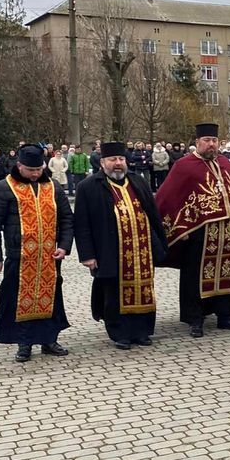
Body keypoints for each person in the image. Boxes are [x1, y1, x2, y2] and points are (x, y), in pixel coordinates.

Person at [155, 123, 230, 337]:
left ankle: (225, 314)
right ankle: (195, 318)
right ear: (197, 143)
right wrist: (179, 228)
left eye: (214, 140)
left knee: (226, 271)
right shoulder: (183, 166)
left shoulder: (225, 163)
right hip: (197, 232)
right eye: (207, 140)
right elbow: (167, 197)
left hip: (227, 231)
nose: (211, 144)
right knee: (195, 275)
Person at [72, 142, 167, 350]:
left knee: (144, 289)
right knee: (114, 294)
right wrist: (87, 255)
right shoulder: (88, 186)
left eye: (121, 159)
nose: (118, 163)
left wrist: (160, 244)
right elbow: (81, 224)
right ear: (102, 162)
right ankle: (120, 334)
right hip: (110, 252)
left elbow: (153, 214)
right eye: (113, 159)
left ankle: (142, 331)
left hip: (142, 250)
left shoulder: (137, 181)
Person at [0, 146, 73, 363]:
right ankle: (24, 343)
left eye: (38, 169)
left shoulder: (52, 186)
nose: (35, 174)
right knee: (18, 299)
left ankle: (49, 339)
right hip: (19, 255)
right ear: (19, 166)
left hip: (49, 256)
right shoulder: (4, 187)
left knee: (51, 297)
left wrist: (64, 245)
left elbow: (67, 219)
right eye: (30, 170)